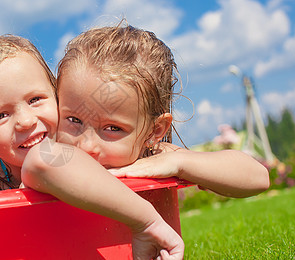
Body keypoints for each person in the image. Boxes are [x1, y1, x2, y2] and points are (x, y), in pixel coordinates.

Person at [0, 35, 184, 260]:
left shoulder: (85, 148)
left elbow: (43, 160)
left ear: (57, 97)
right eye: (0, 116)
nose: (26, 121)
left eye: (35, 100)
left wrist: (177, 167)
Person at [56, 25, 270, 198]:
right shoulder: (50, 159)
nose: (86, 146)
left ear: (155, 131)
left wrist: (179, 163)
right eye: (74, 120)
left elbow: (258, 177)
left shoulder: (155, 157)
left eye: (112, 128)